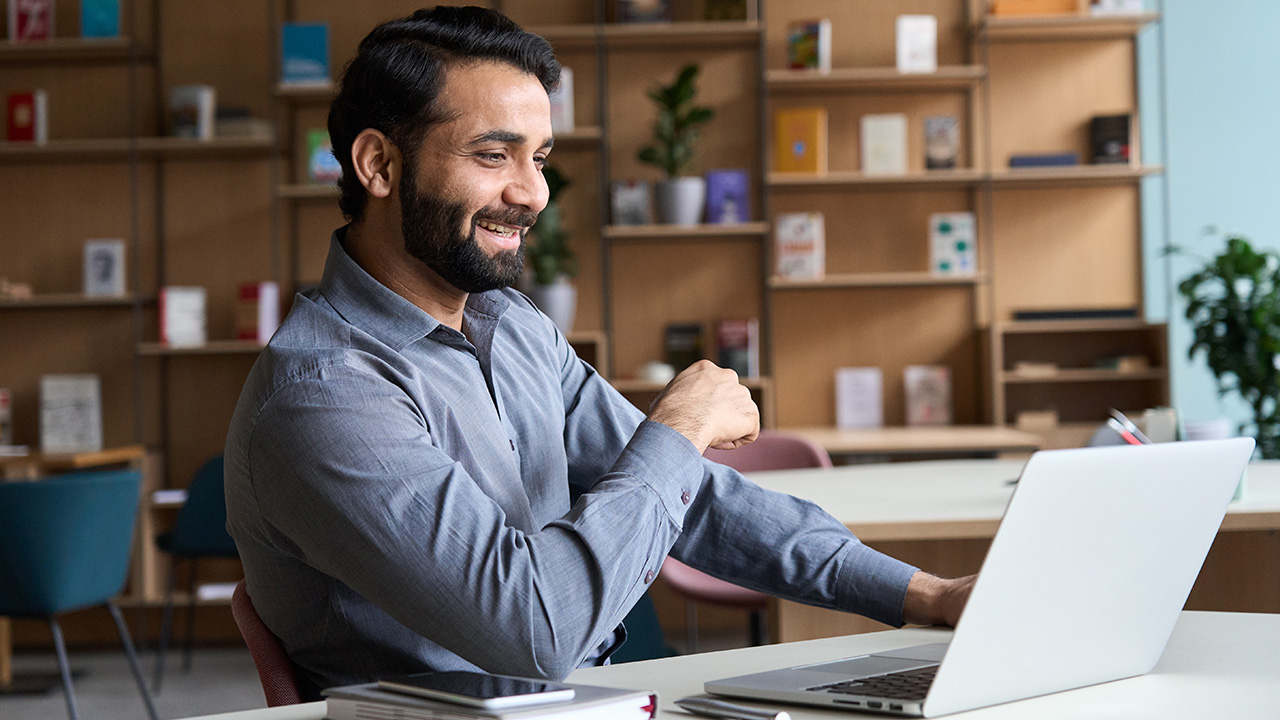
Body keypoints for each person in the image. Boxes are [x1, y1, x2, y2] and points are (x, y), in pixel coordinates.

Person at [224, 6, 974, 699]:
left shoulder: (510, 327)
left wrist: (927, 596)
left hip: (589, 700)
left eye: (539, 158)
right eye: (494, 155)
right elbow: (536, 629)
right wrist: (678, 428)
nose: (533, 193)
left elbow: (697, 503)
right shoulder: (323, 393)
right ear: (379, 166)